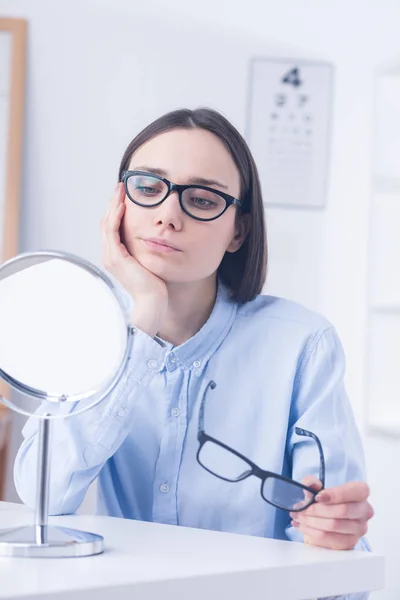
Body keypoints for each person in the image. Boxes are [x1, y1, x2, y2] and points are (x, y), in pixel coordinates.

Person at [14, 108, 373, 567]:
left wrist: (335, 539)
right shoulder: (89, 334)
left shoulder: (303, 345)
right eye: (148, 188)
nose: (167, 216)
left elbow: (338, 565)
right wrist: (143, 316)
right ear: (118, 205)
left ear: (238, 231)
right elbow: (44, 496)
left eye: (203, 200)